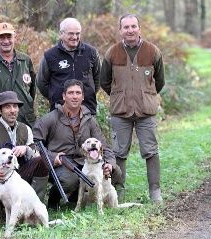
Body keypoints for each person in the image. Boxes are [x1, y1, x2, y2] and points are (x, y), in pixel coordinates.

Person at [100, 14, 165, 203]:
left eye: (133, 26)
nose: (130, 30)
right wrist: (120, 96)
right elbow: (105, 81)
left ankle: (155, 192)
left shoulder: (153, 51)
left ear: (139, 28)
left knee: (151, 151)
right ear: (120, 30)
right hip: (120, 112)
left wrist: (147, 95)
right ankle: (118, 191)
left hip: (146, 112)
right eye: (126, 27)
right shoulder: (112, 53)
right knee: (119, 152)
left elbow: (159, 81)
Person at [33, 79, 121, 209]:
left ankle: (77, 198)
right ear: (64, 96)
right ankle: (54, 198)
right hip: (60, 164)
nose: (75, 96)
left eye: (78, 93)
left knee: (116, 172)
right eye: (71, 93)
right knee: (71, 181)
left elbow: (104, 145)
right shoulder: (50, 118)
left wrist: (110, 164)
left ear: (83, 96)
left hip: (84, 162)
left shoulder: (89, 120)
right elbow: (35, 143)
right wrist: (52, 157)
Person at [0, 91, 48, 222]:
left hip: (16, 176)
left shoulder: (26, 129)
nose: (12, 110)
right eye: (7, 107)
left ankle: (33, 209)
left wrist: (26, 149)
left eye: (15, 106)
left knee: (42, 162)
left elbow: (35, 154)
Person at [0, 22, 36, 128]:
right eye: (1, 37)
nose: (6, 41)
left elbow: (32, 90)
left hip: (24, 119)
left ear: (15, 37)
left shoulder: (25, 60)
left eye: (9, 37)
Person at [36, 17, 101, 115]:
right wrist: (55, 95)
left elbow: (98, 78)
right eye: (71, 33)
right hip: (59, 111)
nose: (75, 37)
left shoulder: (91, 52)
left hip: (86, 109)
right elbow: (41, 83)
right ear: (61, 34)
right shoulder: (50, 56)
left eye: (77, 33)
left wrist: (87, 93)